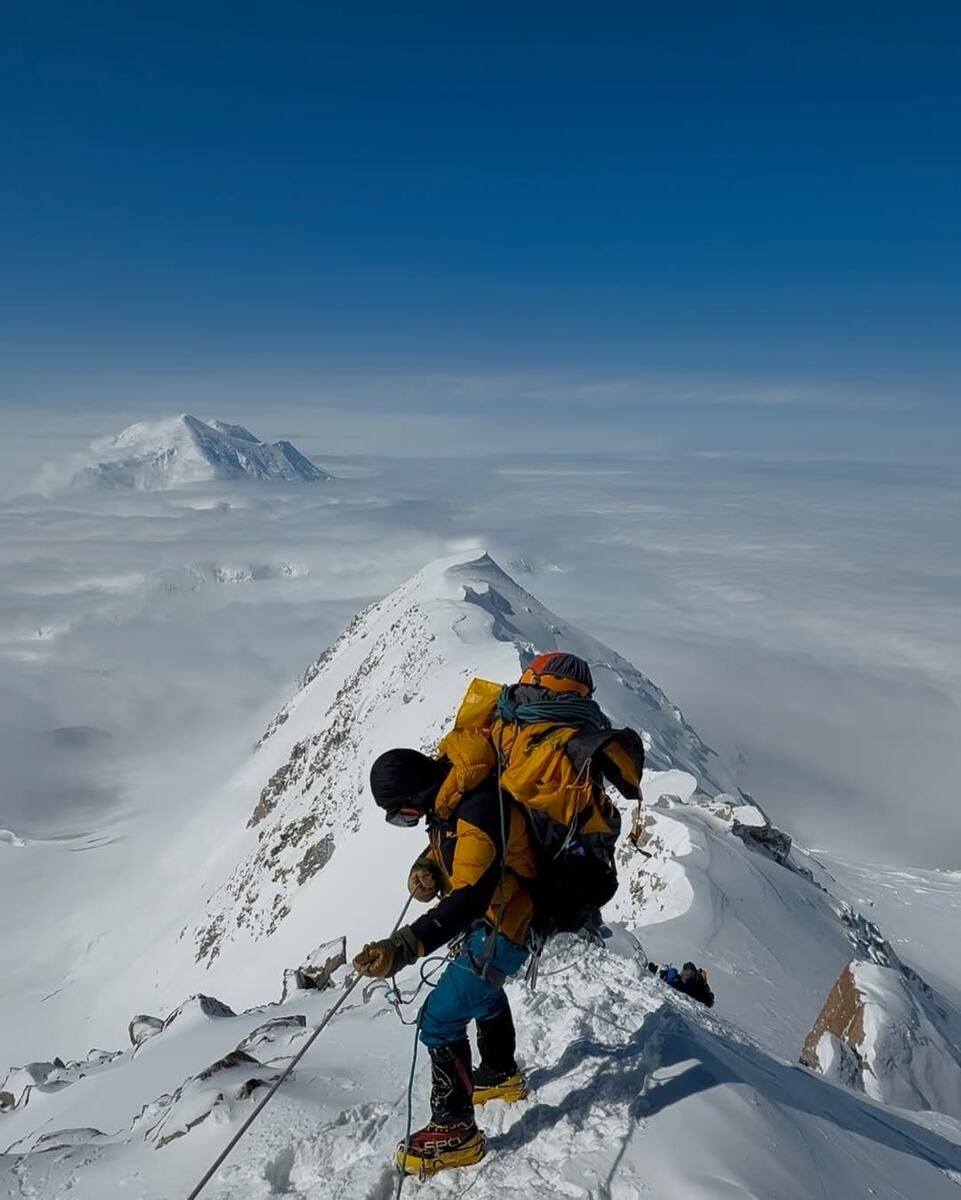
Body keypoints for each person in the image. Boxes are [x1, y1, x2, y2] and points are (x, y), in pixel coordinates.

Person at [352, 746, 538, 1176]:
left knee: (438, 1019)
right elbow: (458, 850)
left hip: (502, 926)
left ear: (414, 795)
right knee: (482, 995)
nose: (405, 819)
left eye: (401, 812)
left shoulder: (474, 808)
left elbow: (469, 897)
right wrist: (429, 868)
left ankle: (456, 1132)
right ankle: (498, 1071)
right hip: (501, 914)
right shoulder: (453, 797)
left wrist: (402, 947)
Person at [647, 960, 715, 1008]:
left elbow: (682, 984)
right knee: (674, 976)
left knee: (675, 980)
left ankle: (662, 973)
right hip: (687, 988)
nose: (686, 974)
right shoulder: (698, 983)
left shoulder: (699, 985)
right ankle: (661, 972)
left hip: (690, 991)